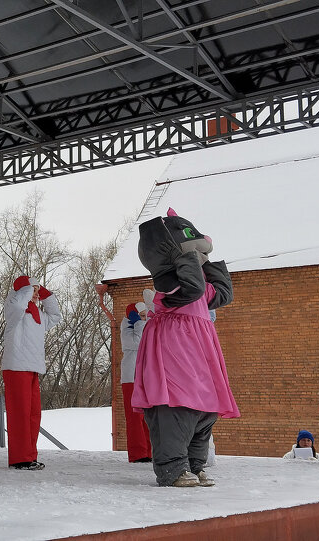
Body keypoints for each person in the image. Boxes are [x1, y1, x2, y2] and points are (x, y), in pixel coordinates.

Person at [132, 208, 237, 488]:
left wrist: (206, 261)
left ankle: (193, 465)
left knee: (204, 407)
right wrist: (188, 257)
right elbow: (190, 289)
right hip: (174, 346)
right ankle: (172, 468)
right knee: (177, 404)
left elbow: (223, 294)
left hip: (199, 348)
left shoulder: (196, 280)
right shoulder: (167, 283)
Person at [2, 275, 61, 471]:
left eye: (37, 291)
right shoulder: (13, 307)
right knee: (20, 414)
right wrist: (28, 289)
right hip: (16, 367)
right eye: (33, 290)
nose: (35, 294)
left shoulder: (38, 314)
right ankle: (19, 458)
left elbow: (55, 316)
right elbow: (19, 306)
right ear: (23, 290)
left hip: (33, 367)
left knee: (33, 415)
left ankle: (29, 455)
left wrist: (45, 294)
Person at [119, 301, 153, 463]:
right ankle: (138, 453)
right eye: (140, 316)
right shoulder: (126, 328)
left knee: (148, 417)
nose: (143, 319)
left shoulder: (143, 327)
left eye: (145, 316)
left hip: (146, 377)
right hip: (130, 378)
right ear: (132, 315)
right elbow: (137, 343)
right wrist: (140, 324)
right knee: (134, 418)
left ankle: (150, 451)